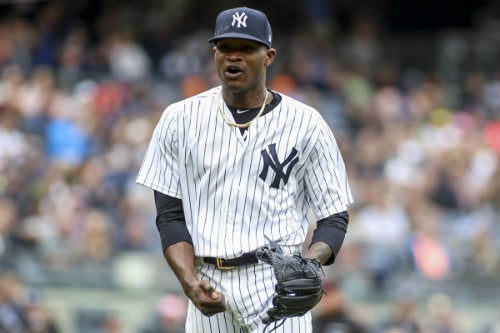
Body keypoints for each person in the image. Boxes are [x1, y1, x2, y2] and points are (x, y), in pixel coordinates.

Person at [136, 6, 353, 333]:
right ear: (214, 53)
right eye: (225, 48)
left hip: (274, 280)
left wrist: (309, 265)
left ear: (269, 56)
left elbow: (334, 216)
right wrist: (190, 282)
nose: (233, 58)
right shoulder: (179, 120)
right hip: (207, 282)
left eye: (247, 49)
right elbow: (169, 216)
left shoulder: (307, 124)